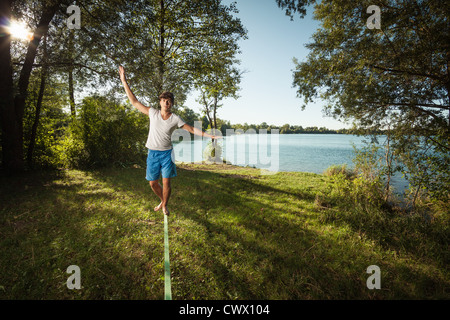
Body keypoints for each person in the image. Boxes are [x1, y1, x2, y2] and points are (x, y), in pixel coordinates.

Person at [119, 65, 220, 216]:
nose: (166, 102)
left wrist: (209, 135)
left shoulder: (175, 118)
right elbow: (134, 101)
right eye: (164, 100)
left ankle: (164, 205)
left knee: (166, 182)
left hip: (167, 154)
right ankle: (162, 200)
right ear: (160, 102)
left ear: (172, 103)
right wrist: (124, 80)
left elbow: (191, 129)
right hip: (153, 153)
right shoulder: (152, 113)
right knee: (153, 183)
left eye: (169, 100)